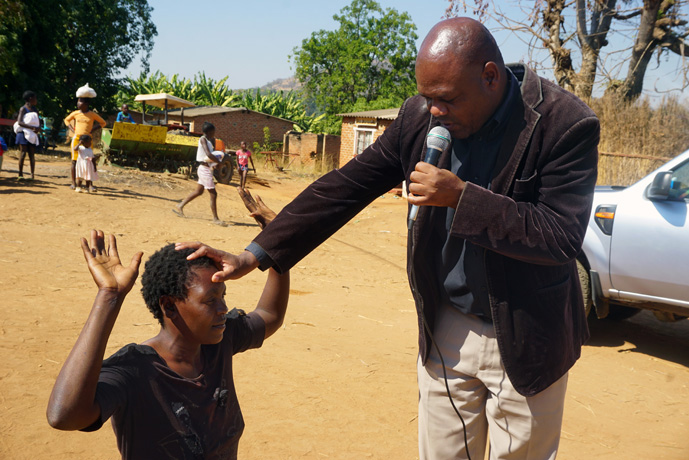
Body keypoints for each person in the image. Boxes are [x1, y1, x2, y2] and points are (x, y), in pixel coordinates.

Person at [178, 17, 600, 460]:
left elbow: (560, 235)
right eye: (427, 97)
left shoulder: (563, 123)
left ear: (490, 77)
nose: (434, 111)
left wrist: (460, 197)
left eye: (446, 99)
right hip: (446, 326)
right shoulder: (419, 118)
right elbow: (344, 187)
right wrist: (255, 255)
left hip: (526, 334)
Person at [46, 192, 289, 459]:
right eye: (210, 300)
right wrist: (109, 297)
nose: (223, 309)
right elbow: (64, 416)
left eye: (223, 297)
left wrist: (277, 245)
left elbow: (269, 314)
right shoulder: (135, 370)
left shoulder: (219, 341)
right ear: (169, 306)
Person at [173, 122, 225, 225]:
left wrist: (214, 164)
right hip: (204, 169)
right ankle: (215, 219)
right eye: (213, 132)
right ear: (209, 132)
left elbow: (208, 157)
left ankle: (180, 206)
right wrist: (219, 162)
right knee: (213, 194)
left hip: (205, 168)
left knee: (199, 191)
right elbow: (208, 154)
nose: (214, 134)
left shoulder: (209, 141)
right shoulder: (203, 139)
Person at [64, 97, 106, 190]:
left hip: (88, 140)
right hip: (77, 140)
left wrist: (92, 130)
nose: (78, 103)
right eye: (78, 101)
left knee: (89, 161)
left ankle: (90, 184)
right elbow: (66, 120)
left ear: (86, 104)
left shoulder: (92, 114)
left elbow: (103, 123)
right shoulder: (75, 113)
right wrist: (72, 130)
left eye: (80, 102)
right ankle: (74, 183)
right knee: (74, 161)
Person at [15, 90, 40, 180]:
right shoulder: (23, 109)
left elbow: (37, 121)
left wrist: (38, 128)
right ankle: (20, 174)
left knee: (31, 155)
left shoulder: (35, 110)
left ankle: (32, 175)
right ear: (30, 99)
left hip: (32, 134)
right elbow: (20, 122)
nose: (36, 100)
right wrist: (31, 127)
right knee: (23, 153)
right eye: (35, 98)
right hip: (23, 133)